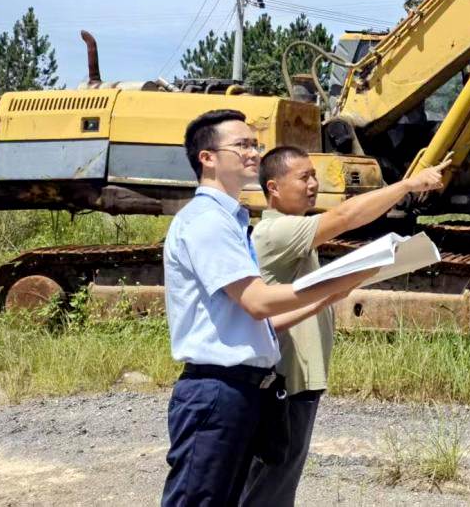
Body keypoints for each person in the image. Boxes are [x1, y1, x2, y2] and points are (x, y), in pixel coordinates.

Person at [162, 109, 379, 507]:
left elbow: (258, 322)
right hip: (217, 390)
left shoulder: (228, 220)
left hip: (242, 389)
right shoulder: (207, 221)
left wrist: (332, 294)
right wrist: (332, 282)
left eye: (254, 144)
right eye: (241, 145)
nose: (253, 153)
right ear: (207, 158)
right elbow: (258, 302)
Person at [239, 146, 452, 507]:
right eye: (303, 177)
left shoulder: (292, 230)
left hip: (297, 381)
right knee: (269, 488)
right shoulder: (277, 232)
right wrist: (407, 185)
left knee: (275, 483)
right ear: (273, 188)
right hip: (285, 382)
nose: (313, 184)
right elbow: (346, 215)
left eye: (314, 176)